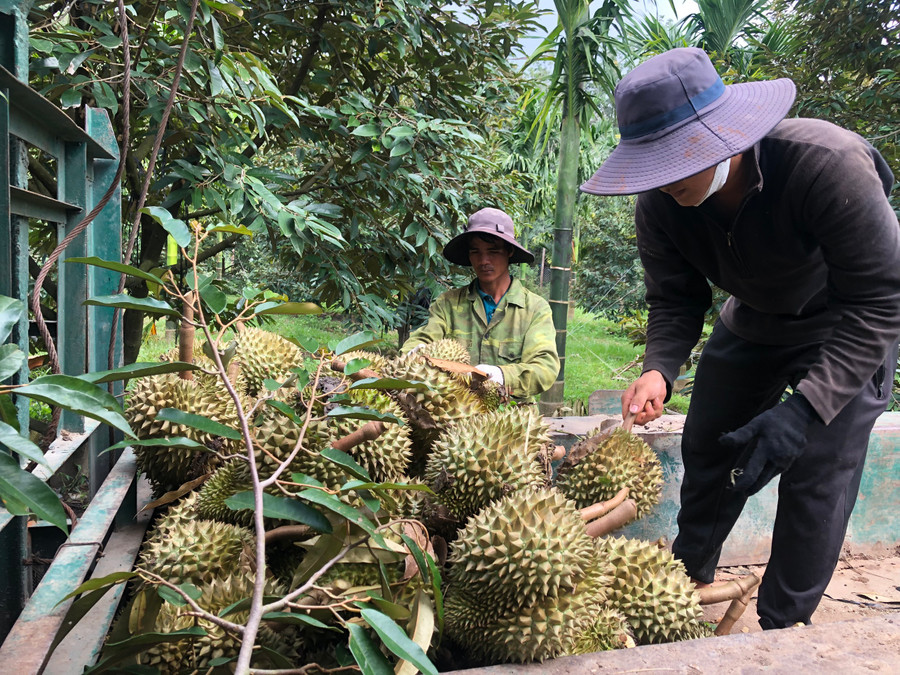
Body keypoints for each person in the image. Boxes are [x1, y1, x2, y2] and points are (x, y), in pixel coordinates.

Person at [580, 47, 900, 630]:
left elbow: (880, 299)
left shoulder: (826, 164)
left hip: (845, 326)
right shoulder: (661, 203)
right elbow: (676, 299)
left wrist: (804, 410)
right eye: (652, 165)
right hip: (752, 320)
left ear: (720, 140)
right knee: (710, 445)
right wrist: (660, 368)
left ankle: (782, 629)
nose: (663, 180)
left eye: (675, 161)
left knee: (817, 474)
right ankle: (684, 581)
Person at [401, 207, 560, 398]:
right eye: (475, 252)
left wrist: (501, 375)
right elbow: (423, 340)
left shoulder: (534, 309)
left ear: (509, 251)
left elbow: (545, 368)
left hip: (511, 415)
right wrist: (413, 354)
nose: (484, 260)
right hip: (455, 413)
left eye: (493, 251)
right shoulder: (448, 304)